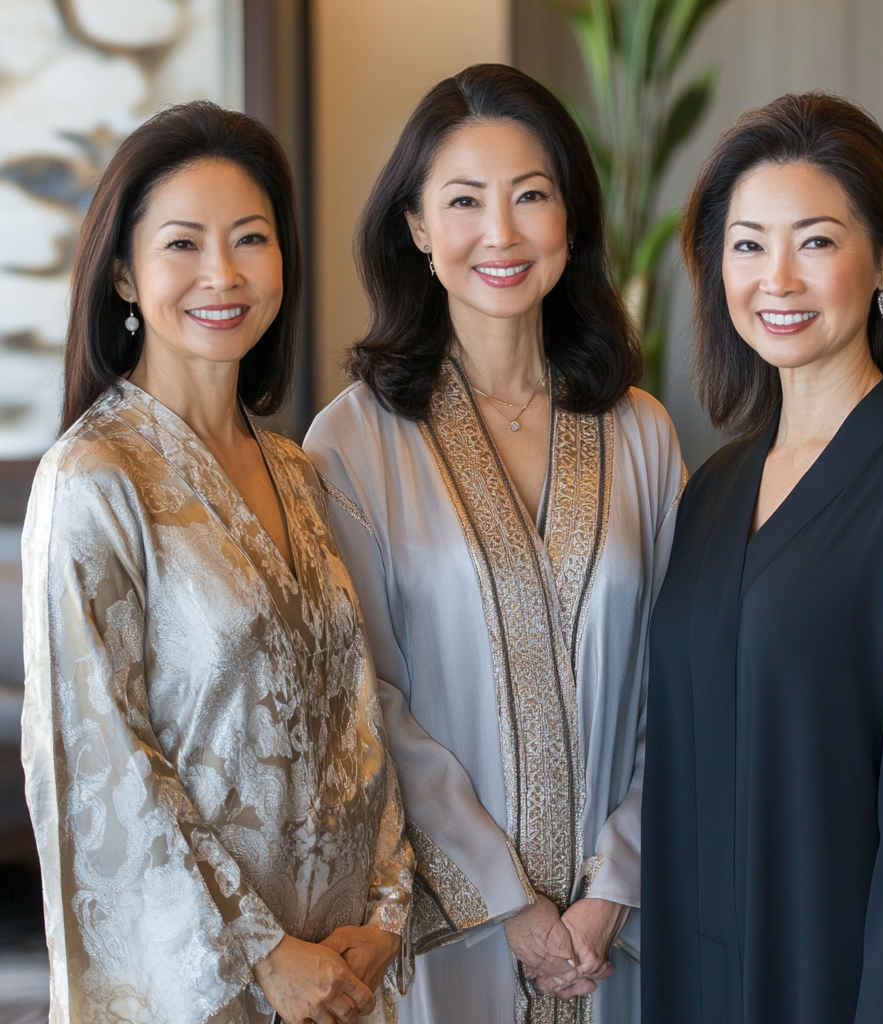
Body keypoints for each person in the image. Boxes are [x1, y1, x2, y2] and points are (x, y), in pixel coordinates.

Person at [304, 64, 685, 1024]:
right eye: (465, 201)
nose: (502, 232)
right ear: (418, 230)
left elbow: (684, 680)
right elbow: (367, 700)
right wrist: (509, 901)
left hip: (621, 937)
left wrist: (612, 889)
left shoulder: (643, 431)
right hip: (447, 932)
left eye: (531, 197)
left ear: (571, 223)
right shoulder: (350, 441)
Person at [21, 101, 413, 1024]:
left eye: (250, 239)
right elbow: (102, 763)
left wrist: (388, 911)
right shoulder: (94, 480)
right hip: (207, 988)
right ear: (122, 272)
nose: (223, 274)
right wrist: (266, 955)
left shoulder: (300, 470)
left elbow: (360, 713)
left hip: (344, 979)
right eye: (184, 244)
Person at [643, 91, 883, 1023]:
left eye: (814, 241)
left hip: (849, 984)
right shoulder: (712, 492)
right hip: (703, 979)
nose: (776, 279)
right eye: (745, 244)